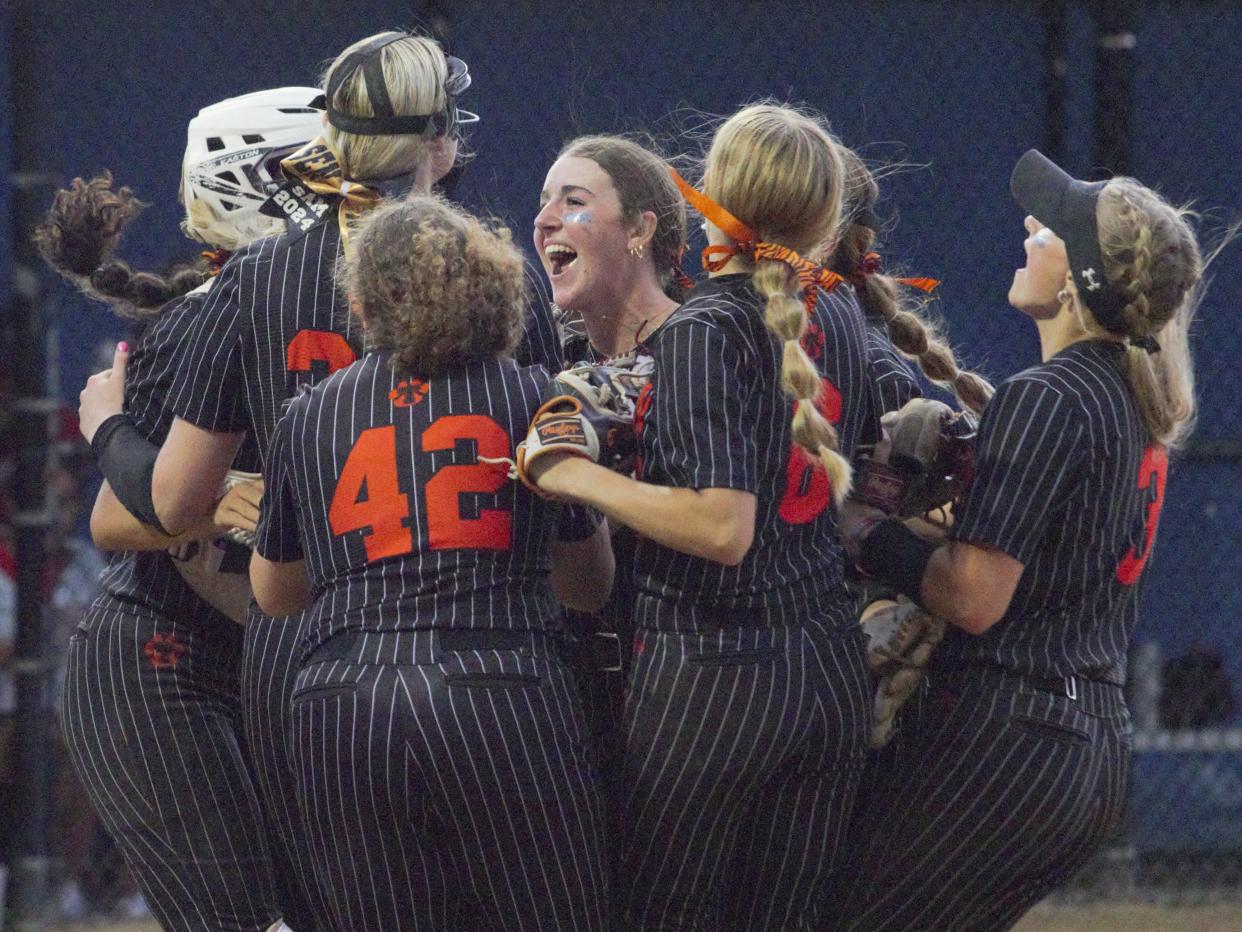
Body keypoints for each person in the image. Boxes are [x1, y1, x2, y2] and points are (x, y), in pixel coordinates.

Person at [77, 32, 561, 927]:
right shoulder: (494, 278)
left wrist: (105, 424)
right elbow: (566, 530)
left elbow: (174, 506)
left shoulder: (255, 283)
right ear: (437, 144)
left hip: (308, 659)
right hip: (489, 656)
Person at [838, 149, 1213, 931]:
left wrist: (856, 522)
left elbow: (973, 597)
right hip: (1088, 744)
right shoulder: (1132, 399)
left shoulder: (1046, 395)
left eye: (1052, 229)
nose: (1033, 226)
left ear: (1080, 280)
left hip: (1006, 738)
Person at [526, 102, 874, 930]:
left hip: (715, 681)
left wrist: (577, 476)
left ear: (712, 191)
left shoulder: (704, 327)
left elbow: (723, 529)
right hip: (825, 670)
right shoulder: (839, 313)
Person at [250, 194, 612, 930]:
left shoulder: (310, 412)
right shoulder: (533, 395)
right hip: (499, 688)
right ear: (488, 280)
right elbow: (589, 586)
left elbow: (276, 593)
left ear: (362, 301)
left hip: (343, 699)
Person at [37, 86, 323, 931]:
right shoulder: (207, 323)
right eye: (327, 172)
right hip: (162, 661)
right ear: (261, 185)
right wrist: (232, 502)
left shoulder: (296, 305)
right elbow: (117, 520)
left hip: (259, 663)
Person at [532, 133, 689, 861]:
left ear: (639, 230)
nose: (545, 221)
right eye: (542, 205)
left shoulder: (703, 349)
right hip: (568, 684)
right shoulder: (542, 366)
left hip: (686, 684)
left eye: (574, 202)